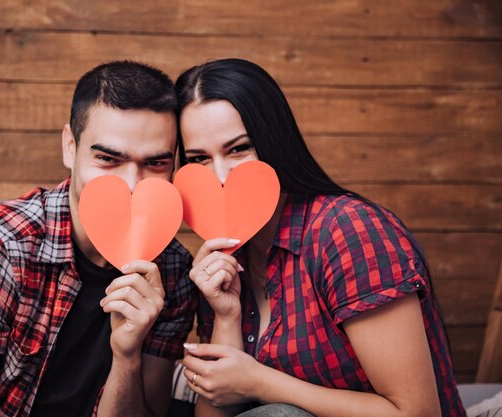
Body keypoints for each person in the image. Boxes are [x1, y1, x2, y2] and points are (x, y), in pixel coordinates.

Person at [0, 61, 197, 417]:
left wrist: (127, 356)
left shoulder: (172, 270)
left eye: (155, 164)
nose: (131, 185)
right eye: (108, 159)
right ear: (70, 147)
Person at [174, 58, 466, 417]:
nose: (220, 175)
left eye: (239, 149)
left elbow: (417, 413)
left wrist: (260, 382)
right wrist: (226, 317)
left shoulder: (349, 231)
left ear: (273, 141)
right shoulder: (220, 260)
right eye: (198, 158)